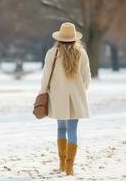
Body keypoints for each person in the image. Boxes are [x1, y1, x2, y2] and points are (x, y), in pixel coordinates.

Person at [39, 22, 90, 175]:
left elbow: (46, 76)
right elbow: (87, 78)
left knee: (61, 128)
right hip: (76, 97)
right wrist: (81, 91)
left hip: (57, 96)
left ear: (59, 38)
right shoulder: (82, 53)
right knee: (73, 129)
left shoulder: (52, 53)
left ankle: (62, 163)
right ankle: (69, 167)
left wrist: (43, 92)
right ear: (75, 38)